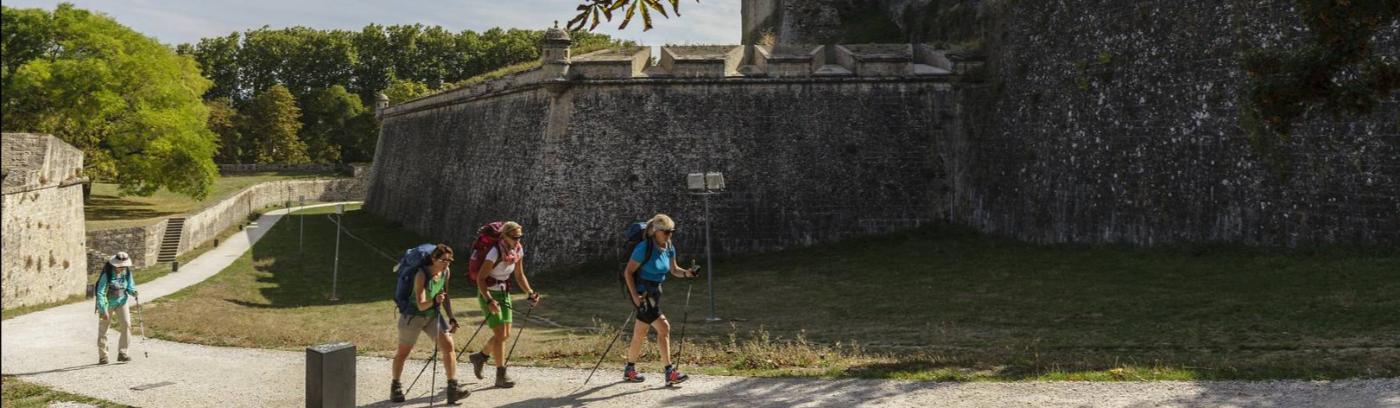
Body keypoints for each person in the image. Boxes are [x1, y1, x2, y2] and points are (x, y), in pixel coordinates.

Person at [621, 214, 699, 385]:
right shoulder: (644, 248)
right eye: (666, 232)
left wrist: (687, 273)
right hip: (643, 294)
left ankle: (629, 370)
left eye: (671, 231)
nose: (669, 235)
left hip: (656, 293)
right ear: (656, 231)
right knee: (664, 328)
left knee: (640, 333)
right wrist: (634, 296)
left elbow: (674, 269)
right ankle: (669, 372)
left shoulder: (669, 246)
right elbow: (628, 272)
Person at [389, 244, 468, 404]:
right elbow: (421, 304)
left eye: (449, 260)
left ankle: (453, 388)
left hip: (433, 315)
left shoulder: (445, 272)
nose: (446, 263)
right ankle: (395, 385)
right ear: (433, 259)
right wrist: (436, 300)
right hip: (413, 317)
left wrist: (451, 317)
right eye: (443, 260)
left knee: (448, 346)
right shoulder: (421, 275)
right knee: (403, 353)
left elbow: (445, 295)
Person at [468, 222, 540, 388]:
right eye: (514, 237)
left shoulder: (517, 250)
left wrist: (530, 292)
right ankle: (501, 375)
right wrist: (489, 300)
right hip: (488, 294)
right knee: (500, 334)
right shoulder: (494, 252)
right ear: (504, 236)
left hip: (504, 293)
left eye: (520, 237)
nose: (517, 240)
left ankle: (480, 357)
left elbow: (519, 275)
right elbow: (480, 279)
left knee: (505, 335)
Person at [95, 252, 139, 364]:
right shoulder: (107, 275)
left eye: (124, 266)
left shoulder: (127, 272)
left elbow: (130, 286)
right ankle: (103, 356)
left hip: (122, 302)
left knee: (127, 324)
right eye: (120, 266)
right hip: (107, 304)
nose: (122, 268)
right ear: (114, 265)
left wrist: (133, 292)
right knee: (103, 329)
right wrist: (102, 309)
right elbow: (100, 292)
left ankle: (123, 353)